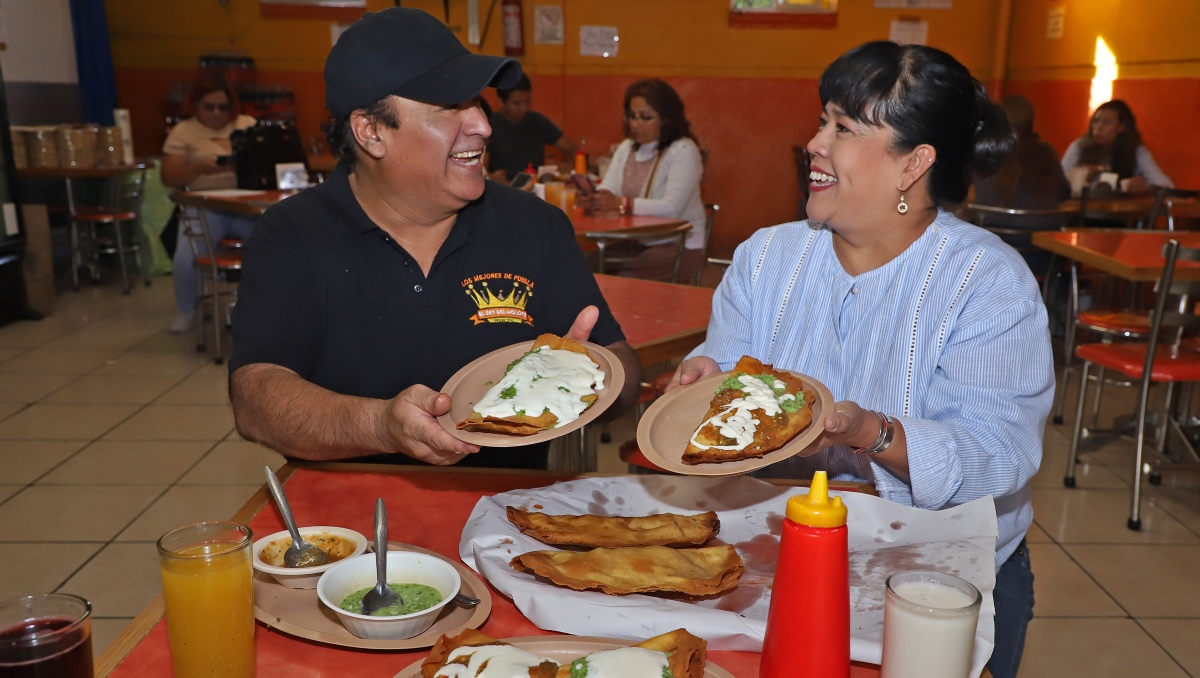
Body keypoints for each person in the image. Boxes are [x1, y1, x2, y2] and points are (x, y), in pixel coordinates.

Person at [666, 42, 1051, 678]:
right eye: (823, 120)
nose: (816, 143)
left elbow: (1000, 453)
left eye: (844, 128)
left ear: (913, 165)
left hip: (937, 585)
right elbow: (729, 364)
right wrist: (704, 381)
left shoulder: (987, 282)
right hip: (774, 560)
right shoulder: (767, 259)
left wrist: (871, 432)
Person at [228, 7, 639, 469]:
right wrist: (381, 425)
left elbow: (620, 370)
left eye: (478, 102)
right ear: (371, 131)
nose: (483, 125)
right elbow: (255, 398)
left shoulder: (535, 225)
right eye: (449, 107)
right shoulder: (293, 234)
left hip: (507, 518)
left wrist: (590, 374)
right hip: (343, 522)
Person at [160, 74, 257, 333]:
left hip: (246, 206)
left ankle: (266, 308)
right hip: (204, 206)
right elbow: (168, 176)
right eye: (209, 107)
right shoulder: (184, 131)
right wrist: (197, 167)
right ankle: (186, 309)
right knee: (187, 256)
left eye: (223, 107)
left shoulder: (247, 125)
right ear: (196, 106)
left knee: (275, 246)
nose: (216, 113)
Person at [587, 79, 707, 281]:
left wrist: (622, 203)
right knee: (581, 267)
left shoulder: (683, 150)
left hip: (678, 244)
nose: (636, 124)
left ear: (667, 119)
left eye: (645, 117)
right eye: (632, 116)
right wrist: (596, 198)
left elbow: (671, 208)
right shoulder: (627, 147)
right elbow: (609, 187)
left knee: (625, 283)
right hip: (636, 240)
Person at [972, 95, 1071, 272]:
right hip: (1042, 254)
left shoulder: (988, 152)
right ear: (1032, 122)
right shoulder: (1046, 153)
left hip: (993, 252)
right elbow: (1065, 193)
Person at [1061, 99, 1172, 192]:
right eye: (1096, 121)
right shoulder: (1079, 146)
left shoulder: (1135, 150)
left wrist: (1147, 187)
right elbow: (1057, 182)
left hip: (1118, 214)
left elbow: (1166, 185)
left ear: (1121, 127)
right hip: (1080, 214)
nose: (1098, 127)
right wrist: (1079, 177)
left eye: (1107, 122)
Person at [486, 74, 577, 182]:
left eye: (527, 101)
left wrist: (567, 167)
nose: (524, 108)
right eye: (517, 103)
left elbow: (573, 150)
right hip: (504, 192)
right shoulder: (488, 126)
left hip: (536, 190)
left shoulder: (538, 122)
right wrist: (491, 177)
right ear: (501, 101)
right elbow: (481, 171)